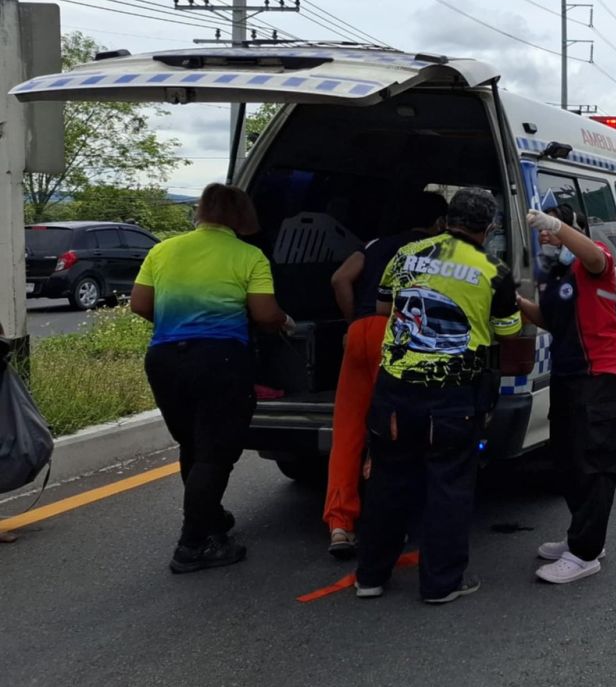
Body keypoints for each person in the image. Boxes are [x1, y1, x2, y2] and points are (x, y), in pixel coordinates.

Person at [354, 188, 522, 604]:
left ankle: (370, 576)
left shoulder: (406, 254)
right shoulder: (493, 270)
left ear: (447, 220)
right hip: (453, 397)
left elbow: (382, 310)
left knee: (387, 483)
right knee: (449, 486)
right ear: (489, 229)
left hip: (395, 390)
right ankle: (440, 583)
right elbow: (509, 330)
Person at [129, 183, 291, 574]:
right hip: (220, 360)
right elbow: (264, 313)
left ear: (200, 211)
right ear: (241, 214)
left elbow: (140, 304)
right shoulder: (248, 255)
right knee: (214, 454)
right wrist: (283, 321)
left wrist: (178, 326)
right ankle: (192, 545)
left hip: (165, 359)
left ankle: (211, 519)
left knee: (193, 446)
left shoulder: (162, 249)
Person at [321, 192, 448, 559]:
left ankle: (340, 524)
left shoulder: (375, 244)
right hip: (396, 337)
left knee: (347, 430)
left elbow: (339, 279)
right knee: (393, 432)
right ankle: (391, 521)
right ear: (439, 222)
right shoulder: (433, 250)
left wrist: (353, 321)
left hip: (360, 332)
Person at [524, 202, 616, 584]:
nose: (545, 233)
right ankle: (582, 536)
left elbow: (593, 255)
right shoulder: (553, 272)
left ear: (573, 228)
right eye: (542, 229)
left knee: (593, 463)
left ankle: (585, 553)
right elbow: (549, 320)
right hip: (568, 374)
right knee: (567, 459)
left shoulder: (594, 259)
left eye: (552, 227)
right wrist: (515, 302)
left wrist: (557, 225)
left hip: (601, 373)